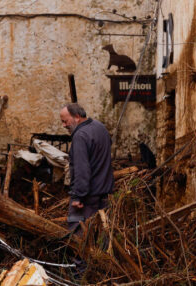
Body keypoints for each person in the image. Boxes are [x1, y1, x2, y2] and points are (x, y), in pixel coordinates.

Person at [60, 103, 114, 278]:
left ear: (76, 117)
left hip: (86, 198)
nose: (64, 125)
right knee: (100, 237)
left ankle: (80, 278)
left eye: (65, 121)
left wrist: (78, 196)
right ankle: (101, 275)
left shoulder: (80, 136)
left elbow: (82, 169)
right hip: (103, 195)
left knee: (78, 239)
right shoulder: (100, 128)